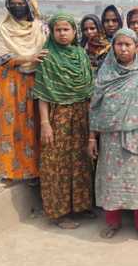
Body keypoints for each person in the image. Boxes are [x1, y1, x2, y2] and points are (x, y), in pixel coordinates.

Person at [88, 28, 138, 241]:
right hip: (111, 138)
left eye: (127, 44)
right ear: (113, 47)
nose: (123, 48)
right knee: (112, 182)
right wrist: (92, 137)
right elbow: (95, 107)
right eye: (119, 44)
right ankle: (112, 222)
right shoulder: (105, 73)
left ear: (135, 47)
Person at [32, 12, 95, 229]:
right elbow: (42, 93)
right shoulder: (46, 57)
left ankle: (81, 206)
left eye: (66, 29)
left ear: (74, 32)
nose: (62, 34)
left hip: (81, 117)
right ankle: (59, 213)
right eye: (58, 29)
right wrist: (45, 124)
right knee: (56, 163)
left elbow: (88, 89)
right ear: (52, 32)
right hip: (56, 117)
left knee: (80, 161)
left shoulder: (81, 55)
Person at [0, 0, 48, 190]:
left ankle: (34, 170)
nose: (17, 7)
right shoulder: (3, 29)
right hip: (11, 81)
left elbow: (48, 51)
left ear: (30, 4)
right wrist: (28, 58)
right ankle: (8, 171)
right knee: (10, 126)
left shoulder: (41, 28)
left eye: (20, 2)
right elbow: (4, 58)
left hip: (37, 79)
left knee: (35, 125)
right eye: (13, 3)